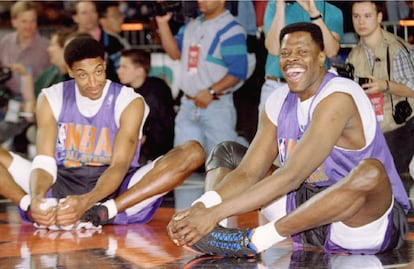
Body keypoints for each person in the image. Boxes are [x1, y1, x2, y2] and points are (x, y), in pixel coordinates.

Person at [166, 22, 410, 257]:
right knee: (227, 152)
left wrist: (214, 212)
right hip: (303, 216)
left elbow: (292, 175)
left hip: (361, 221)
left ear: (321, 56)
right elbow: (249, 172)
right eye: (285, 53)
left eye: (302, 52)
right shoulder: (278, 100)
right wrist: (201, 209)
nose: (292, 58)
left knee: (371, 172)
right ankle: (215, 234)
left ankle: (253, 241)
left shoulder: (339, 96)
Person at [0, 37, 205, 229]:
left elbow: (119, 165)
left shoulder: (129, 101)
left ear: (105, 65)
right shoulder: (51, 97)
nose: (93, 82)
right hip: (59, 180)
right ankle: (28, 205)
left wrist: (89, 202)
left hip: (115, 190)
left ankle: (106, 212)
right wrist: (35, 199)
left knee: (193, 152)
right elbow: (44, 162)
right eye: (83, 75)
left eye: (98, 71)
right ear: (70, 71)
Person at [155, 0, 249, 155]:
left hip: (216, 106)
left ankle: (244, 150)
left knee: (221, 163)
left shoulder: (231, 29)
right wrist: (162, 23)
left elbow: (238, 72)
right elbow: (174, 53)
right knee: (180, 162)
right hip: (188, 104)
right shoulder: (192, 25)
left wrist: (211, 91)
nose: (200, 1)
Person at [347, 1, 414, 175]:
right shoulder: (354, 55)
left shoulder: (396, 48)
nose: (361, 21)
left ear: (379, 17)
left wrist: (384, 85)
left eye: (367, 16)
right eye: (356, 16)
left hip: (402, 129)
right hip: (372, 131)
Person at [259, 0, 343, 115]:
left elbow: (331, 51)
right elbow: (274, 49)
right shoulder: (274, 5)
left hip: (314, 87)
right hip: (277, 85)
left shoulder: (332, 11)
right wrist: (280, 6)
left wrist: (314, 14)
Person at [117, 48, 175, 165]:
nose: (119, 71)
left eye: (124, 67)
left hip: (156, 151)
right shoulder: (124, 91)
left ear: (140, 71)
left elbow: (163, 126)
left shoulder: (156, 91)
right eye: (120, 67)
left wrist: (144, 136)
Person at [0, 1, 50, 101]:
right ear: (14, 22)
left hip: (36, 100)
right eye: (24, 21)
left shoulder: (47, 47)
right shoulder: (4, 43)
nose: (29, 26)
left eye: (32, 21)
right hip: (6, 98)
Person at [71, 1, 126, 82]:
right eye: (84, 13)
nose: (90, 17)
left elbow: (122, 71)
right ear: (75, 17)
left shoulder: (113, 42)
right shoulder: (69, 42)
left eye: (93, 11)